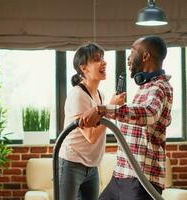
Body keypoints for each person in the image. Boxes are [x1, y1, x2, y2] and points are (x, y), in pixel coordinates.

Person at [79, 36, 173, 200]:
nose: (129, 58)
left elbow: (148, 114)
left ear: (145, 56)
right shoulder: (146, 87)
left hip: (142, 181)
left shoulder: (159, 87)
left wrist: (101, 109)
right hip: (121, 175)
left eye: (132, 52)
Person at [58, 43, 125, 200]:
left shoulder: (100, 95)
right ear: (84, 68)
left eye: (102, 58)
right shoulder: (78, 95)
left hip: (92, 165)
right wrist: (110, 107)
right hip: (71, 163)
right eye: (96, 59)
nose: (103, 62)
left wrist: (110, 108)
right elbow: (91, 136)